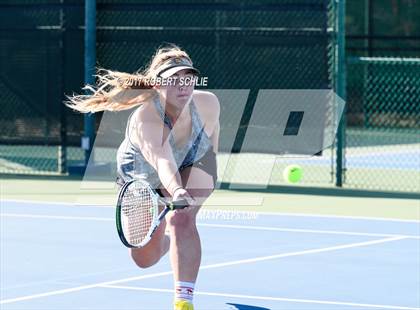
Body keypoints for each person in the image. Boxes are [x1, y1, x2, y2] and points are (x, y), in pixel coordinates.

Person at [67, 44, 220, 310]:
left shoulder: (207, 103)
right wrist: (176, 189)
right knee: (144, 258)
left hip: (191, 158)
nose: (183, 85)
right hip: (142, 172)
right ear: (157, 85)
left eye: (188, 77)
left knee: (182, 218)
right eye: (173, 79)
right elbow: (162, 161)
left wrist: (206, 172)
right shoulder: (147, 118)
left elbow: (211, 138)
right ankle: (166, 243)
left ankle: (184, 302)